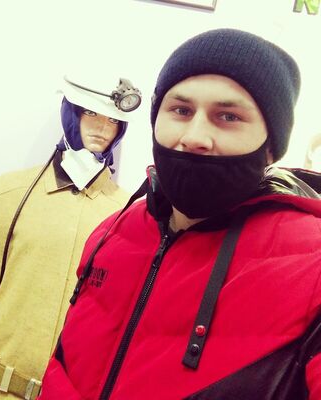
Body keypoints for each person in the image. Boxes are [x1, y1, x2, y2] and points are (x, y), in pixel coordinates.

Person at [38, 29, 321, 400]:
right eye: (181, 110)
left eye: (229, 116)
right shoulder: (113, 233)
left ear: (272, 146)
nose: (194, 137)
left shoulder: (312, 266)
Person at [0, 74, 141, 400]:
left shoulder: (129, 218)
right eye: (90, 113)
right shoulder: (6, 194)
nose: (102, 127)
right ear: (71, 113)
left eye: (112, 120)